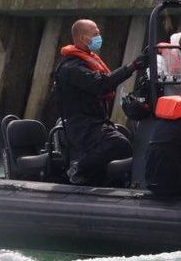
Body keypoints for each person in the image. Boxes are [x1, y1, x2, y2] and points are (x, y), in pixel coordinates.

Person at [55, 19, 147, 185]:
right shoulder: (71, 68)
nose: (99, 37)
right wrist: (133, 66)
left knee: (127, 139)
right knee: (117, 143)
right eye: (95, 34)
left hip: (96, 122)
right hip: (81, 125)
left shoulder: (87, 62)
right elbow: (101, 84)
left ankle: (111, 179)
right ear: (83, 38)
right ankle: (79, 168)